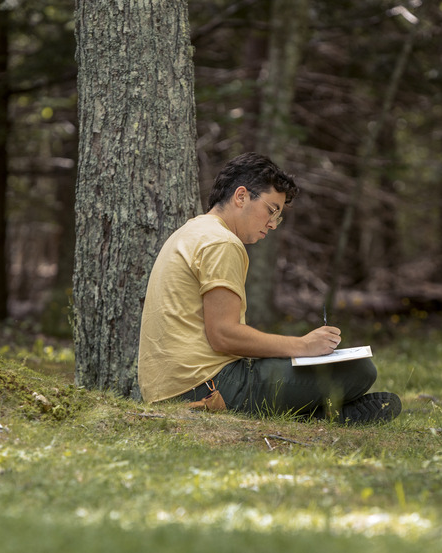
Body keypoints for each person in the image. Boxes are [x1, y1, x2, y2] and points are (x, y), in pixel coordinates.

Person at [137, 152, 401, 424]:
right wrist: (303, 346)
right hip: (204, 389)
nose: (273, 224)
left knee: (303, 367)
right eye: (272, 210)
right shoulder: (221, 243)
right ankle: (319, 417)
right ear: (241, 196)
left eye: (279, 216)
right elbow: (223, 336)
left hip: (171, 389)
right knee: (359, 370)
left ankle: (314, 414)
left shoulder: (191, 232)